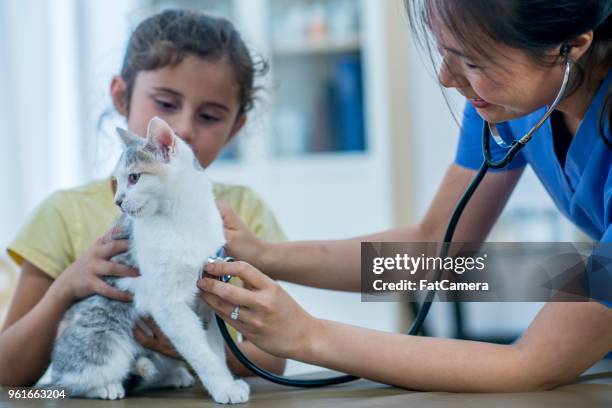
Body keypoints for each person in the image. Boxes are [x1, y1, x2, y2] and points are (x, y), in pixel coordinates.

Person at [197, 0, 612, 392]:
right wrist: (263, 255)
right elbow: (436, 251)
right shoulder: (507, 103)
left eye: (472, 61)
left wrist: (307, 336)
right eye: (443, 51)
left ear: (572, 46)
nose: (447, 77)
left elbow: (531, 364)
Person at [0, 9, 287, 386]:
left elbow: (273, 359)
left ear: (236, 127)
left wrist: (181, 345)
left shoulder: (243, 215)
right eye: (166, 105)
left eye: (210, 116)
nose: (182, 129)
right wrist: (66, 287)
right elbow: (7, 375)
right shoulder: (63, 215)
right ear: (121, 96)